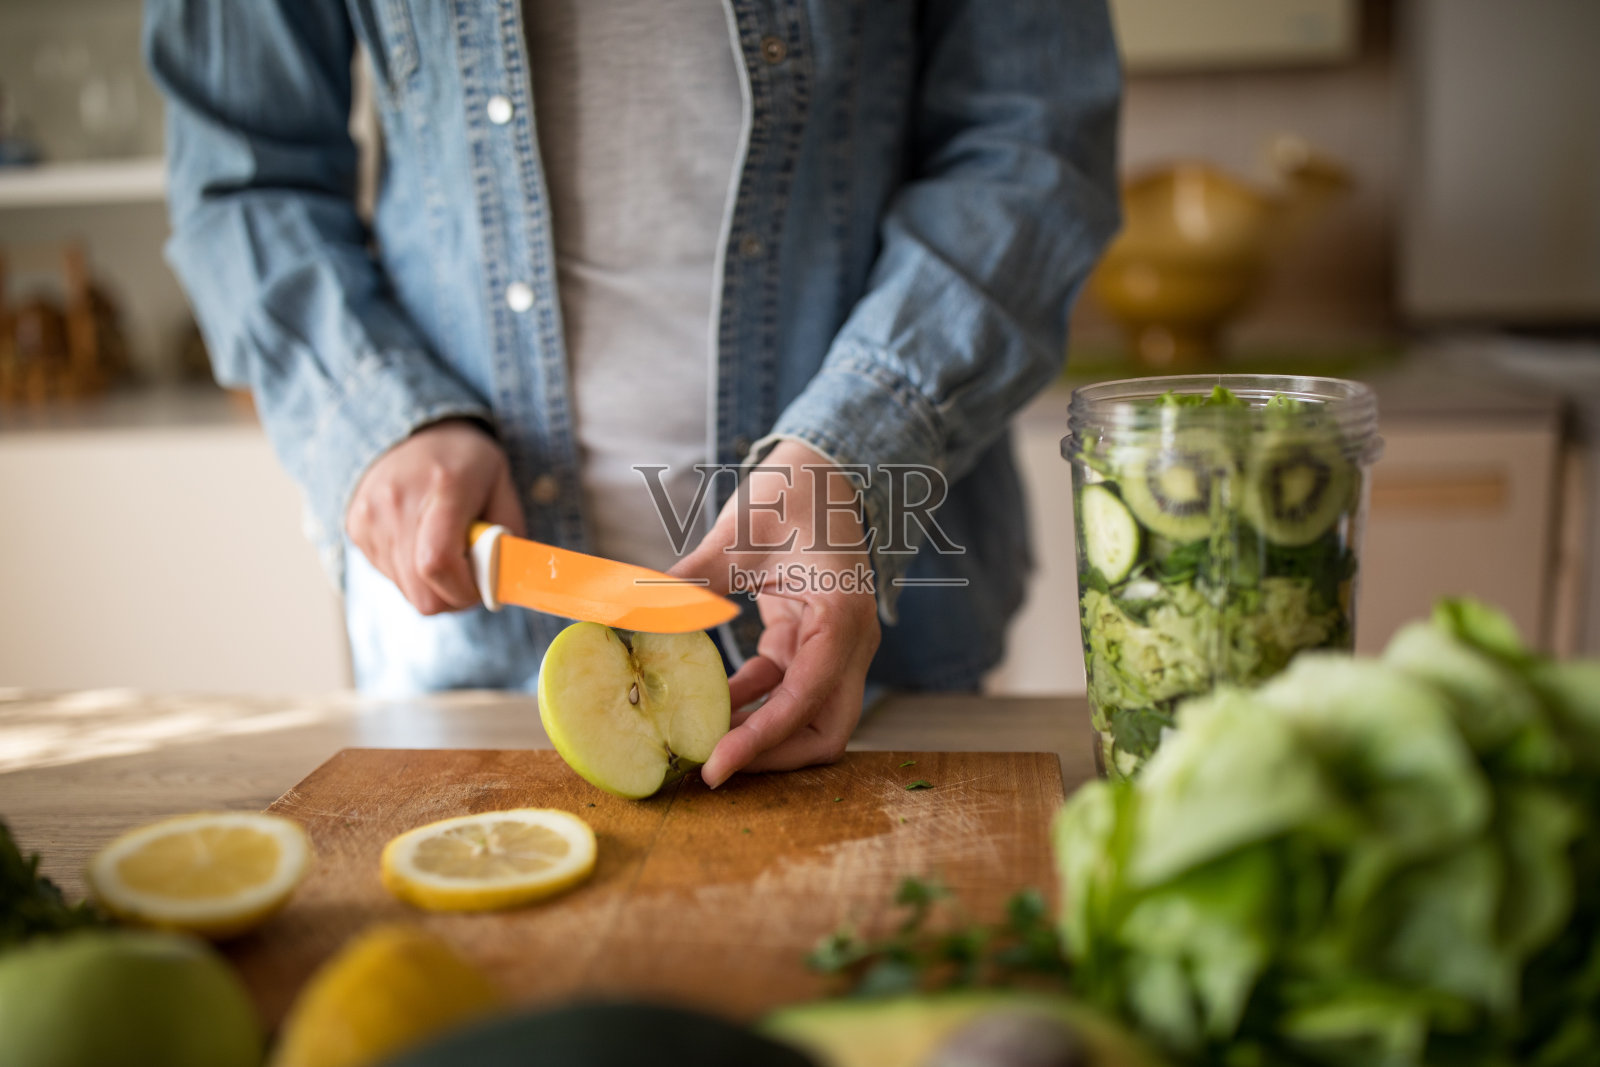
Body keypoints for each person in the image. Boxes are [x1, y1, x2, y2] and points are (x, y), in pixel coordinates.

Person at [144, 1, 1121, 788]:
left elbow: (1028, 145)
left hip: (878, 621)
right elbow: (241, 173)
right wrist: (375, 413)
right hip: (464, 631)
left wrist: (859, 449)